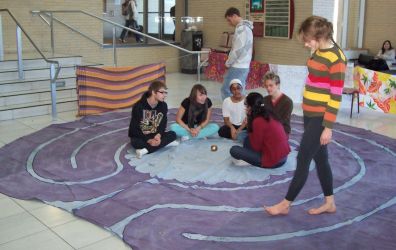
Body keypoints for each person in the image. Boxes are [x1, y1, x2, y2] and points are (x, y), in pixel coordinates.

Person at [265, 16, 346, 216]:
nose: (305, 43)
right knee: (321, 159)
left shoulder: (336, 58)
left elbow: (335, 95)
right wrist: (313, 50)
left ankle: (285, 204)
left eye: (308, 39)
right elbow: (315, 77)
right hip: (310, 113)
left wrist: (328, 127)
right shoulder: (319, 50)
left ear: (319, 36)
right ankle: (330, 202)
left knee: (303, 159)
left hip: (321, 116)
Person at [229, 92, 290, 168]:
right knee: (247, 140)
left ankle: (251, 160)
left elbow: (256, 147)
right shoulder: (268, 113)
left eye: (246, 105)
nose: (245, 108)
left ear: (250, 107)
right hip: (283, 156)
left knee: (234, 150)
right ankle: (251, 157)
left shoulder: (257, 121)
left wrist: (249, 121)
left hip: (273, 161)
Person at [128, 81, 178, 158]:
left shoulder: (163, 105)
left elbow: (163, 123)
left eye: (165, 93)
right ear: (153, 92)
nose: (164, 95)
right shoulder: (138, 106)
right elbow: (134, 129)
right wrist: (149, 140)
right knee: (135, 142)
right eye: (162, 92)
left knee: (173, 134)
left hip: (155, 135)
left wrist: (158, 135)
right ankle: (164, 144)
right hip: (141, 137)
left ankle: (144, 151)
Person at [221, 7, 253, 100]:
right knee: (239, 90)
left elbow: (237, 50)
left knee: (226, 90)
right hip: (243, 65)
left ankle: (229, 111)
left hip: (238, 66)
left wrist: (228, 63)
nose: (229, 23)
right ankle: (240, 111)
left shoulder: (242, 29)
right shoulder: (246, 28)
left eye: (229, 20)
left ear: (235, 16)